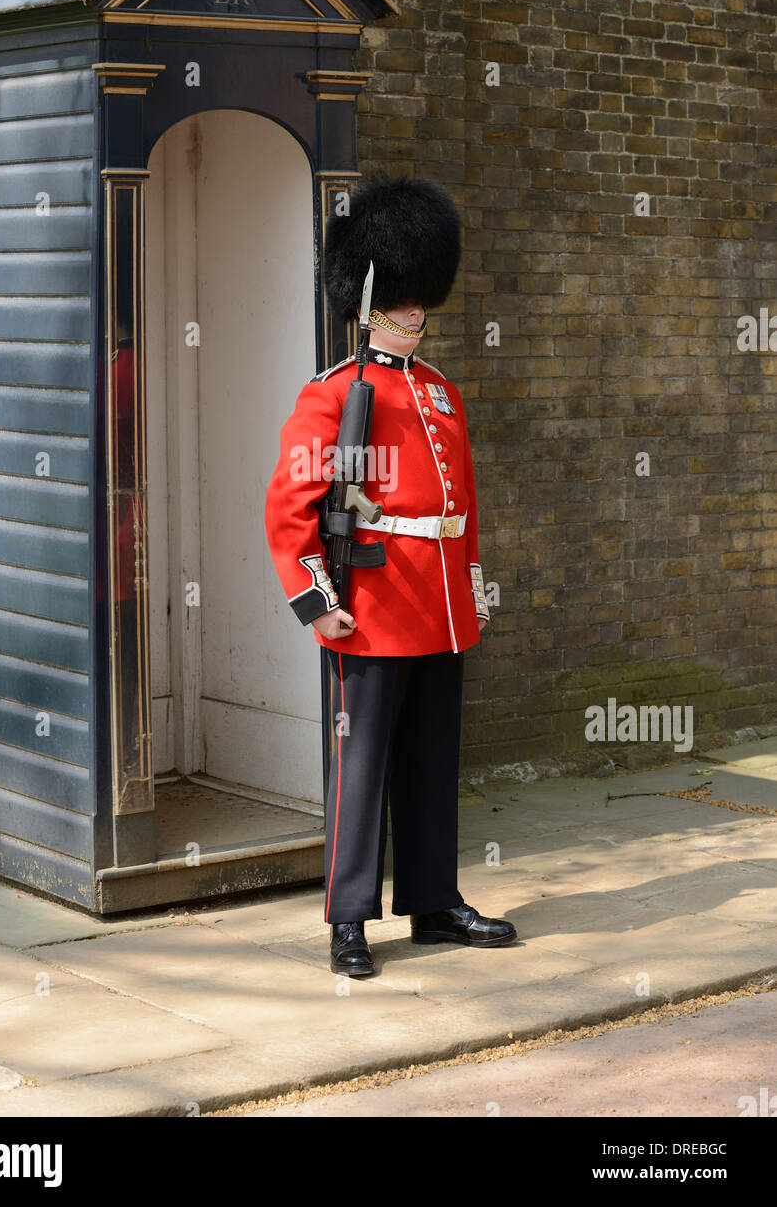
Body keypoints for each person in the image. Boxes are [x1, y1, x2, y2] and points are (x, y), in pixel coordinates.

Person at [264, 173, 518, 976]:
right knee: (362, 767)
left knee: (434, 762)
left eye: (421, 300)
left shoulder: (442, 393)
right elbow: (289, 507)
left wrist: (470, 590)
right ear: (372, 299)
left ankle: (433, 902)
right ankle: (348, 920)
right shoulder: (335, 396)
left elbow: (461, 506)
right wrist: (316, 601)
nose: (417, 313)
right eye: (403, 300)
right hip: (373, 605)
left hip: (440, 605)